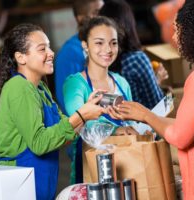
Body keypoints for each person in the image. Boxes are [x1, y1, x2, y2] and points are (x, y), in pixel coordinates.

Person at [109, 0, 194, 199]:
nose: (174, 37)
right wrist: (141, 114)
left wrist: (146, 115)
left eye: (178, 30)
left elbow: (180, 136)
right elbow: (190, 127)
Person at [0, 23, 106, 200]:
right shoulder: (18, 88)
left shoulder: (40, 88)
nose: (51, 53)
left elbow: (63, 134)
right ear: (21, 57)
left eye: (49, 47)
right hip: (18, 184)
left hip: (41, 180)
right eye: (42, 49)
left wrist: (85, 111)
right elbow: (39, 143)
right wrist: (81, 115)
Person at [63, 16, 137, 184]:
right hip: (91, 167)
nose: (108, 49)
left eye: (113, 43)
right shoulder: (75, 84)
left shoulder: (122, 83)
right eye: (99, 43)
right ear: (85, 46)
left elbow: (131, 120)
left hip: (127, 164)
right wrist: (115, 131)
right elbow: (78, 121)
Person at [99, 0, 167, 109]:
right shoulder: (135, 60)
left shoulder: (96, 60)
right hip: (138, 124)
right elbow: (156, 104)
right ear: (129, 24)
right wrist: (156, 81)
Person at [54, 0, 104, 114]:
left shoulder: (107, 46)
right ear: (80, 18)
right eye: (97, 12)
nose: (104, 17)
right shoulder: (69, 54)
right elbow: (69, 105)